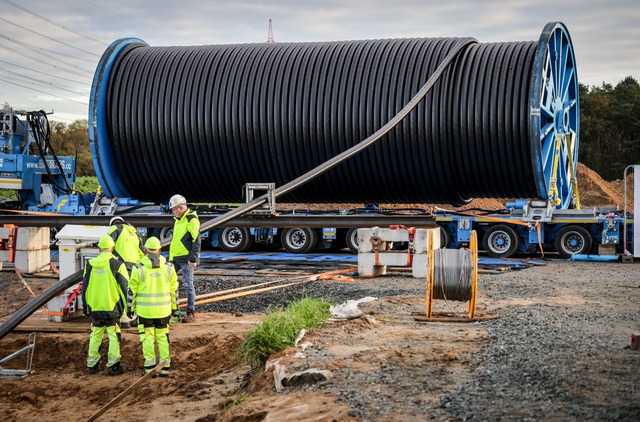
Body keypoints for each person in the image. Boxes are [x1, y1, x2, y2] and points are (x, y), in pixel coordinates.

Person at [127, 236, 178, 377]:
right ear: (159, 250)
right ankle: (165, 367)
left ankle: (150, 368)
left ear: (145, 251)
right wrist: (174, 307)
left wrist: (130, 308)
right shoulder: (169, 268)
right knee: (162, 337)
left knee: (147, 338)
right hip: (163, 311)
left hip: (145, 312)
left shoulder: (138, 269)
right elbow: (174, 290)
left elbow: (132, 291)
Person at [82, 234, 129, 376]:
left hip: (95, 306)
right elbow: (125, 288)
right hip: (112, 307)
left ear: (99, 249)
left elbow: (85, 288)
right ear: (112, 248)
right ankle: (114, 365)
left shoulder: (90, 265)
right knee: (114, 335)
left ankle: (92, 365)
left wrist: (86, 307)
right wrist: (127, 309)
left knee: (95, 335)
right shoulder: (118, 265)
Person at [168, 194, 200, 323]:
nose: (173, 212)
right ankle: (171, 308)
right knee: (167, 282)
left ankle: (190, 312)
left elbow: (196, 240)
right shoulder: (179, 220)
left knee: (188, 285)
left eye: (173, 210)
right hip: (175, 257)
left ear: (180, 208)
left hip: (185, 258)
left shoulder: (191, 219)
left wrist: (193, 259)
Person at [108, 215, 144, 328]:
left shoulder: (115, 228)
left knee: (121, 291)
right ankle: (134, 317)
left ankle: (124, 319)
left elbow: (108, 245)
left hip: (121, 265)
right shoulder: (134, 232)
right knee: (132, 291)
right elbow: (141, 251)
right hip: (135, 265)